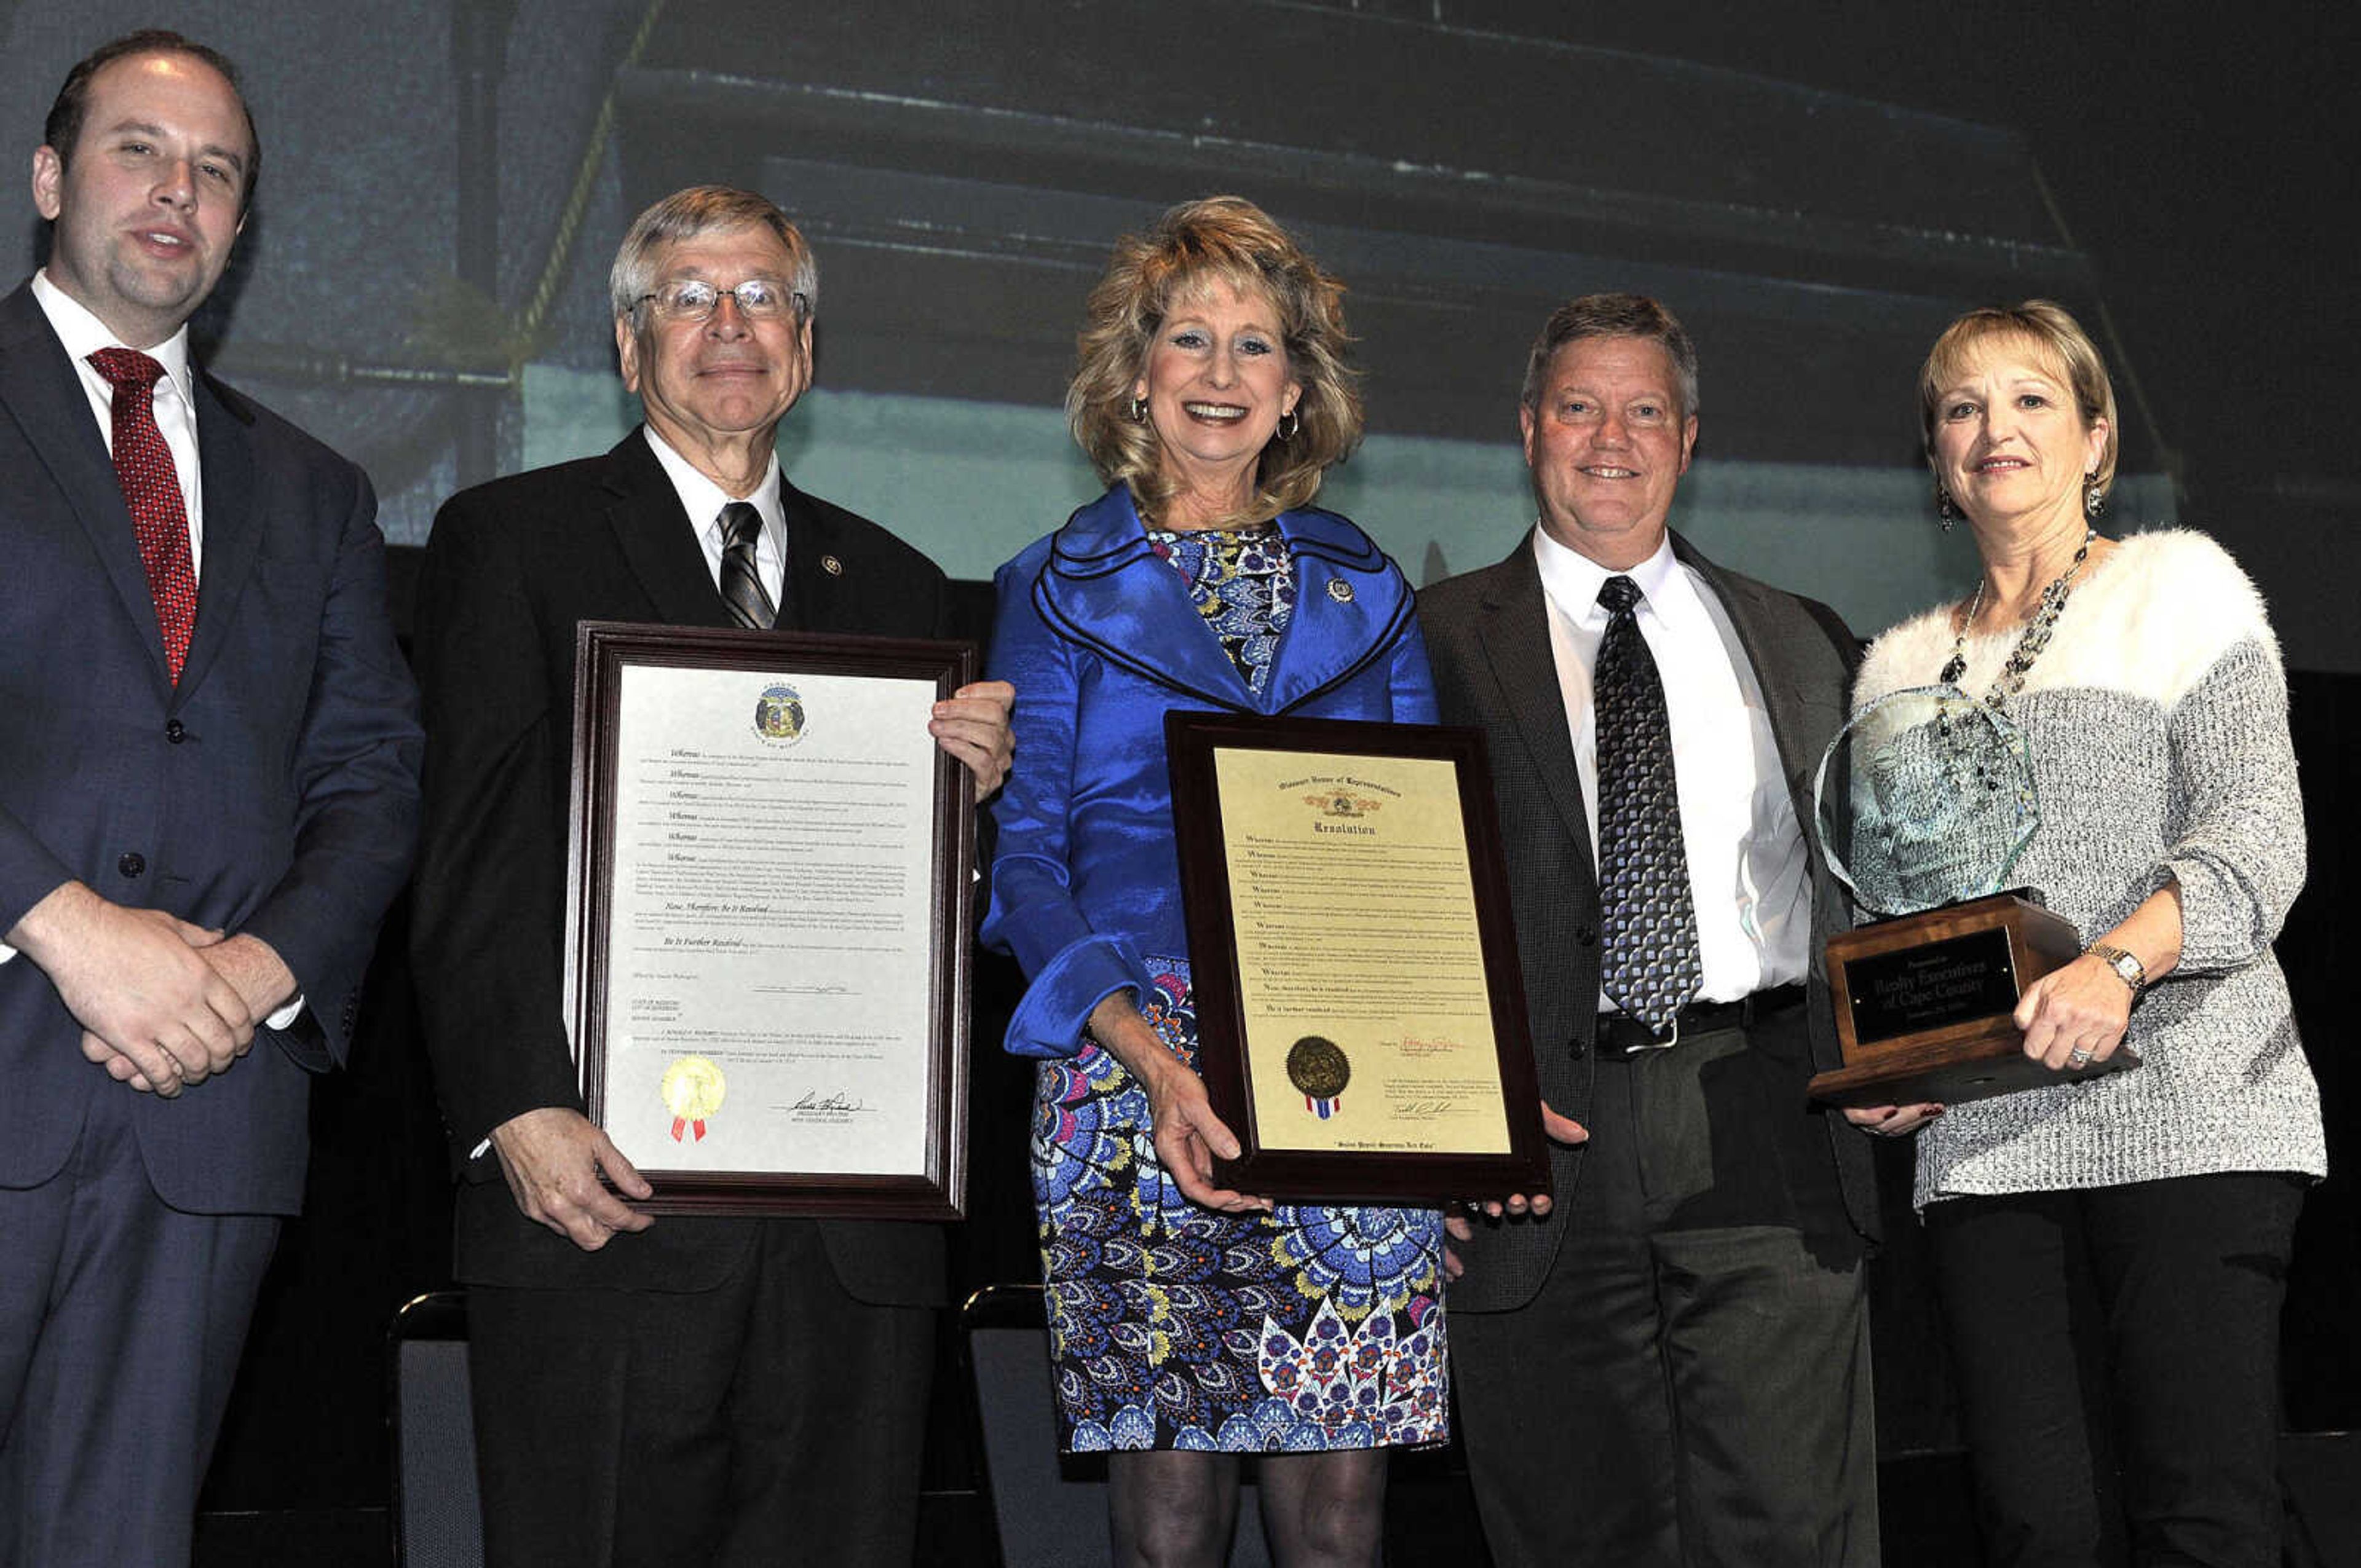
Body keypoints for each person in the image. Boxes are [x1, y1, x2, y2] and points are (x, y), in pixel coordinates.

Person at [408, 185, 1013, 1568]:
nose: (729, 325)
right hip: (600, 1200)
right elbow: (466, 853)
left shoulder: (909, 591)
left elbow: (924, 921)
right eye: (689, 296)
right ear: (630, 348)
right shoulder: (511, 539)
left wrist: (965, 811)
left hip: (848, 1234)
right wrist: (514, 1104)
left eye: (762, 297)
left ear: (806, 347)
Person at [0, 31, 423, 1566]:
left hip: (208, 1119)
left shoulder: (317, 491)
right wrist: (65, 928)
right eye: (139, 151)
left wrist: (249, 980)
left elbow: (372, 779)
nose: (178, 191)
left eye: (218, 171)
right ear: (51, 178)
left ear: (240, 227)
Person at [983, 196, 1444, 1567]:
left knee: (1341, 1513)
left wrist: (1453, 1104)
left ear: (1298, 390)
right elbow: (1026, 863)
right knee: (1173, 1510)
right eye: (1191, 338)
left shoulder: (1369, 586)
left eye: (1257, 346)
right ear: (1138, 374)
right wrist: (1156, 1061)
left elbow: (1425, 871)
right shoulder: (1056, 582)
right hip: (1130, 1075)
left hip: (1349, 1069)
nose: (1223, 373)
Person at [1845, 300, 2325, 1566]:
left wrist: (2117, 962)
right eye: (1962, 406)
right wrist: (1898, 1060)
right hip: (1994, 1148)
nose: (1994, 427)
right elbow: (1903, 917)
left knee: (2205, 1518)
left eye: (2031, 399)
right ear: (1939, 462)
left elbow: (2261, 836)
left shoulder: (2183, 587)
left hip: (2192, 1113)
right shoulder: (1896, 669)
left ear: (2097, 438)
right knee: (2036, 1525)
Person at [1418, 293, 1880, 1567]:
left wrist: (1908, 1049)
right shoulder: (1434, 640)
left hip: (1766, 1113)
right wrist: (1429, 1123)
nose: (1608, 438)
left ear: (1687, 438)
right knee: (1578, 1530)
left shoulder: (1797, 636)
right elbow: (1382, 903)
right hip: (1541, 1141)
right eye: (1578, 406)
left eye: (1642, 411)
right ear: (1527, 429)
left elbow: (1871, 883)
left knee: (1793, 1533)